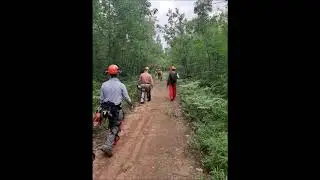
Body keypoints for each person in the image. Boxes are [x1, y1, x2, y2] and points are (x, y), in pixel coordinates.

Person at [100, 64, 133, 157]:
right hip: (116, 110)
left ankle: (112, 139)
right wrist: (131, 104)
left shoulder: (104, 85)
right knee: (116, 126)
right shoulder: (121, 85)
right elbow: (126, 97)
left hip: (105, 109)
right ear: (117, 74)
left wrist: (100, 110)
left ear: (109, 74)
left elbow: (101, 100)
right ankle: (108, 145)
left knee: (112, 124)